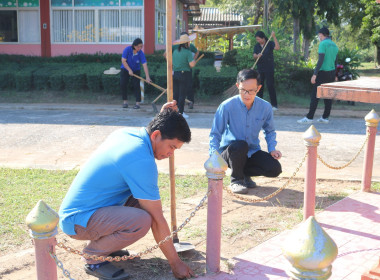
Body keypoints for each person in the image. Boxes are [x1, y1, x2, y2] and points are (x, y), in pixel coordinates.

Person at [58, 101, 195, 280]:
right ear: (156, 135)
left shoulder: (127, 134)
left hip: (80, 213)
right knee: (143, 219)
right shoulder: (141, 160)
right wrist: (175, 263)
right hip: (77, 221)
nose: (171, 154)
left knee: (142, 201)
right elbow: (157, 218)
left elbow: (155, 130)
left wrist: (164, 118)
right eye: (172, 147)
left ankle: (108, 247)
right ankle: (93, 258)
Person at [209, 69, 282, 194]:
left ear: (258, 89)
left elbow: (269, 131)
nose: (246, 95)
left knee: (275, 169)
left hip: (251, 151)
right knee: (240, 145)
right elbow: (215, 133)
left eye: (251, 91)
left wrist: (272, 149)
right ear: (238, 86)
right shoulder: (227, 106)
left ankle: (243, 174)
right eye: (243, 90)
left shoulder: (265, 107)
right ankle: (236, 181)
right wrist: (213, 157)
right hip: (230, 152)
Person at [297, 27, 338, 124]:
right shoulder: (334, 45)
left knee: (315, 95)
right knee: (328, 95)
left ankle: (309, 117)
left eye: (319, 35)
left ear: (322, 34)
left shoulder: (323, 44)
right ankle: (325, 117)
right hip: (331, 73)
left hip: (323, 72)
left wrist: (315, 74)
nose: (318, 37)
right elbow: (336, 62)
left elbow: (321, 60)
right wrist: (335, 74)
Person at [120, 38, 151, 109]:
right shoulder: (127, 49)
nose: (140, 48)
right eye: (139, 46)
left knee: (136, 85)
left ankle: (137, 103)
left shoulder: (140, 53)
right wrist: (129, 70)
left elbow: (144, 64)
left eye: (141, 46)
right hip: (125, 69)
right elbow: (123, 61)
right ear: (134, 46)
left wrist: (147, 77)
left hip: (136, 70)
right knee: (123, 84)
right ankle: (125, 102)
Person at [172, 34, 198, 118]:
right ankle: (181, 113)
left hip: (175, 74)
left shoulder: (175, 51)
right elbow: (192, 64)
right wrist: (194, 61)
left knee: (175, 94)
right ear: (186, 43)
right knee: (182, 94)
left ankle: (174, 112)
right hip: (184, 74)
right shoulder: (188, 52)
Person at [253, 31, 280, 111]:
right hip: (260, 68)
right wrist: (257, 55)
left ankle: (274, 105)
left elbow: (277, 48)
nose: (258, 41)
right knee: (260, 87)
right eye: (257, 39)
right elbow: (254, 55)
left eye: (258, 39)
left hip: (269, 68)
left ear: (263, 38)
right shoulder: (257, 46)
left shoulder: (270, 43)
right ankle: (259, 105)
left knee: (270, 85)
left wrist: (274, 36)